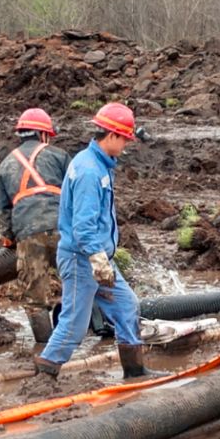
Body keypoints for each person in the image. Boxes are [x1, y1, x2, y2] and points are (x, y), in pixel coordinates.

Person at [34, 103, 162, 379]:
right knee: (74, 325)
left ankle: (135, 371)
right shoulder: (90, 171)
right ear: (112, 136)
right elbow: (83, 226)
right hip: (83, 260)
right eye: (125, 139)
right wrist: (97, 258)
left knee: (127, 306)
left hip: (98, 260)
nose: (126, 145)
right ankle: (44, 375)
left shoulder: (97, 164)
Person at [0, 108, 70, 343]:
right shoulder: (59, 155)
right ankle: (79, 334)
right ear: (43, 134)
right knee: (80, 284)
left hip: (28, 233)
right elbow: (75, 193)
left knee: (35, 299)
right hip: (63, 230)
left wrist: (9, 238)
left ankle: (45, 350)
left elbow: (4, 209)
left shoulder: (6, 164)